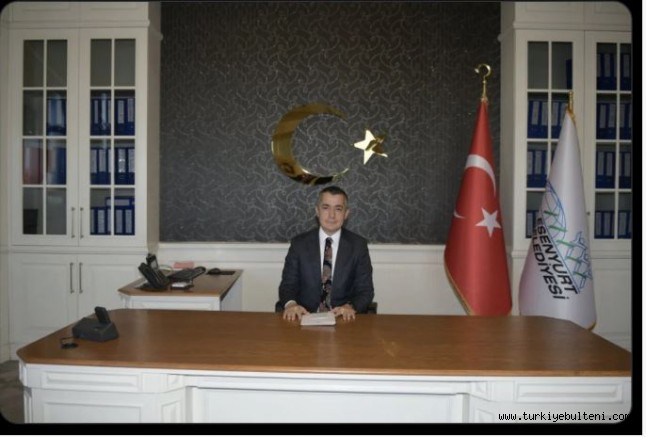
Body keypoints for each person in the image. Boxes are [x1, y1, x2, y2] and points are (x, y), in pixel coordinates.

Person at [278, 185, 375, 321]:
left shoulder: (358, 246)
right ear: (317, 211)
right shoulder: (299, 244)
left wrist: (350, 307)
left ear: (346, 214)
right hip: (304, 316)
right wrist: (291, 304)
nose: (331, 215)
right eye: (326, 208)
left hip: (342, 319)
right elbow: (287, 286)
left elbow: (365, 291)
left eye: (338, 209)